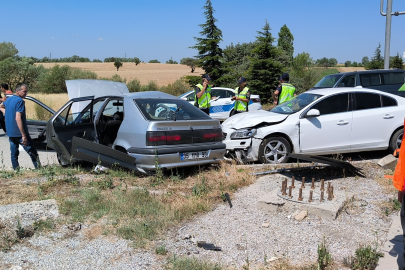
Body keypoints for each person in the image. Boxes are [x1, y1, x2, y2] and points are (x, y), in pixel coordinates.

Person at [0, 84, 40, 170]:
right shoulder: (20, 101)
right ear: (17, 91)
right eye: (24, 91)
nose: (26, 93)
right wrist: (23, 135)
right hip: (19, 134)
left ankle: (16, 170)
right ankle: (39, 170)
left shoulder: (9, 100)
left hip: (10, 133)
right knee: (32, 153)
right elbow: (18, 118)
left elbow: (0, 106)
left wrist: (7, 112)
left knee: (14, 154)